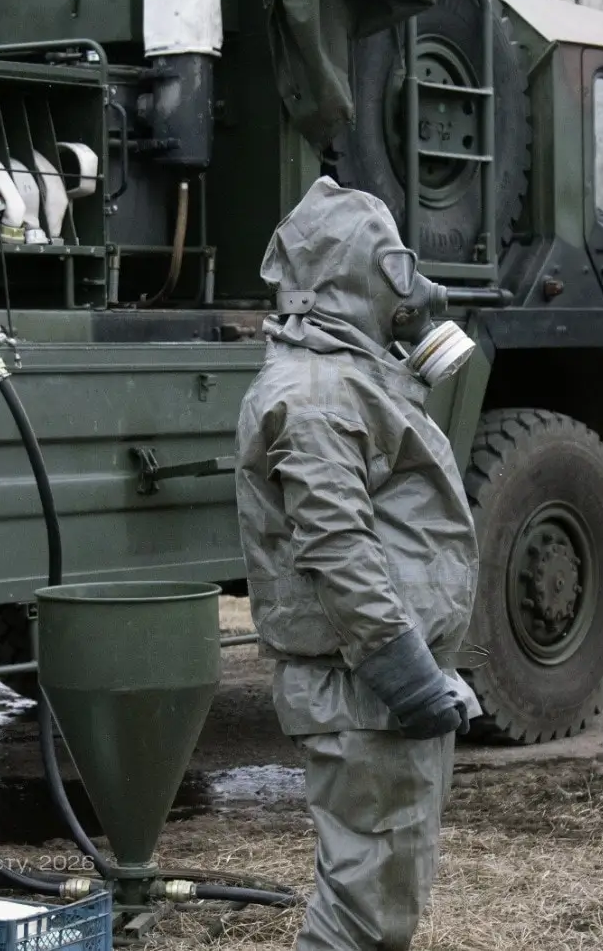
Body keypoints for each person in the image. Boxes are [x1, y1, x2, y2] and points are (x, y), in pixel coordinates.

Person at [234, 175, 481, 950]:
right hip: (365, 687)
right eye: (392, 267)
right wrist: (404, 671)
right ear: (355, 273)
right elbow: (336, 549)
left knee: (379, 903)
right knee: (361, 915)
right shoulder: (315, 391)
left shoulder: (344, 375)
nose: (407, 288)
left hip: (373, 685)